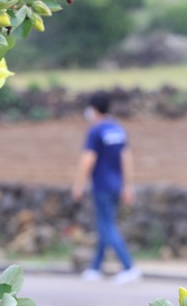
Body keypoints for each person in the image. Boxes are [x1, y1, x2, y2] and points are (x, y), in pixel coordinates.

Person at [71, 91, 141, 284]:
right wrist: (128, 186)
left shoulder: (96, 131)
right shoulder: (118, 130)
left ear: (93, 109)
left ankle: (129, 266)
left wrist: (78, 184)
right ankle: (95, 268)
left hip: (102, 185)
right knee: (105, 225)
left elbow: (88, 159)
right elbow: (126, 159)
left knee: (107, 226)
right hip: (117, 185)